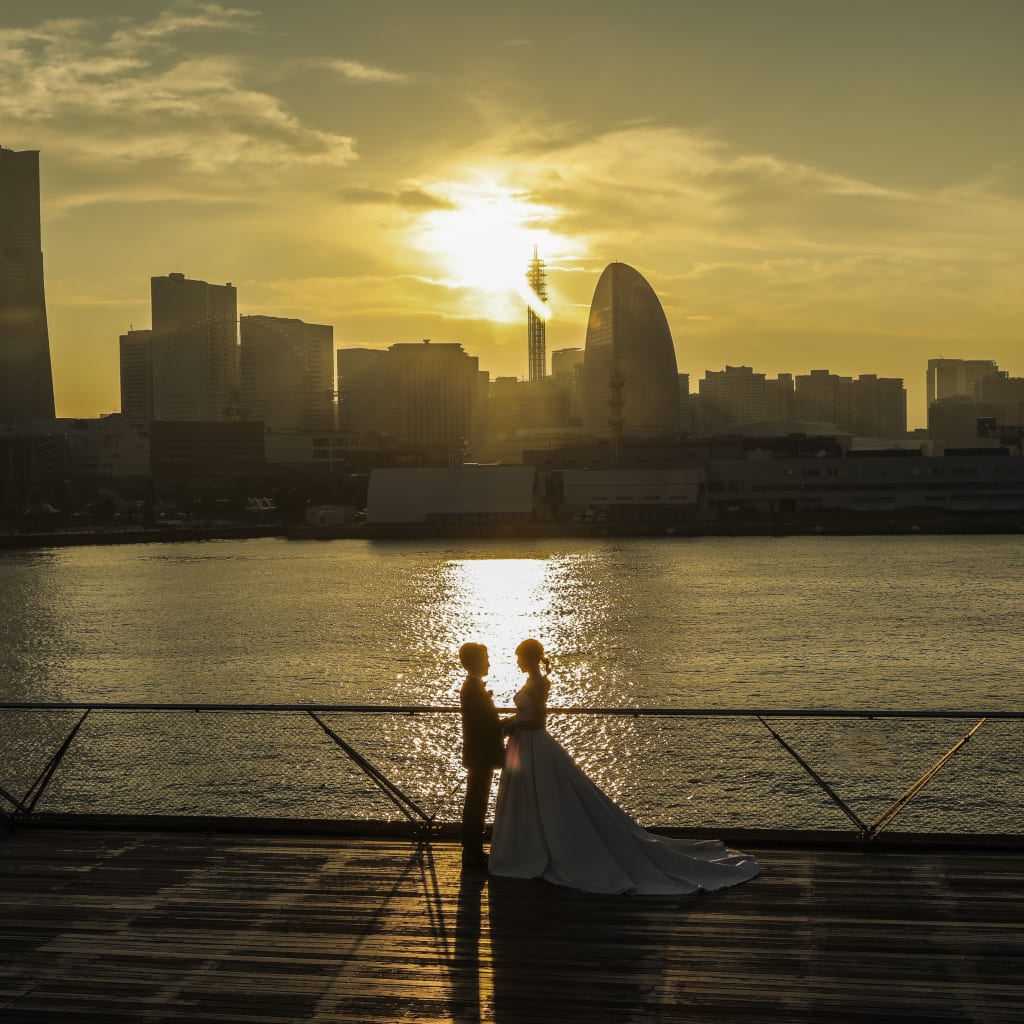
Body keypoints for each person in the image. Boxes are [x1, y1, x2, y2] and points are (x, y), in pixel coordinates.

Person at [488, 638, 760, 895]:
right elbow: (528, 715)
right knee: (533, 800)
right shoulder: (531, 681)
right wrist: (515, 721)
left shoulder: (539, 684)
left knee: (547, 797)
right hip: (525, 746)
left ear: (529, 658)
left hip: (533, 743)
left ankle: (544, 849)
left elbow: (537, 721)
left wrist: (512, 724)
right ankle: (533, 846)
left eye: (519, 658)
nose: (517, 662)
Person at [458, 642, 505, 871]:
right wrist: (512, 724)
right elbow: (487, 726)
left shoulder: (472, 687)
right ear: (476, 661)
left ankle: (473, 851)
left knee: (476, 802)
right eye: (486, 658)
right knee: (476, 803)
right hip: (481, 754)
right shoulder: (474, 690)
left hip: (478, 753)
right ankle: (472, 853)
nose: (489, 662)